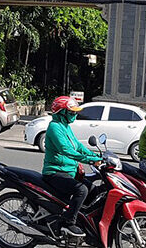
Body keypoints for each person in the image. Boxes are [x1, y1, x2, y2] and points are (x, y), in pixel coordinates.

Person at [42, 96, 101, 238]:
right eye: (72, 112)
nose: (75, 114)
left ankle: (83, 219)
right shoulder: (54, 127)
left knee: (94, 190)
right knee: (82, 190)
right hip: (55, 172)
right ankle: (68, 222)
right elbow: (66, 150)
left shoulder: (65, 126)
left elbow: (78, 146)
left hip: (69, 171)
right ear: (62, 112)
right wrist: (90, 160)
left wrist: (96, 156)